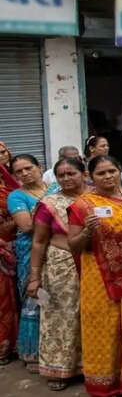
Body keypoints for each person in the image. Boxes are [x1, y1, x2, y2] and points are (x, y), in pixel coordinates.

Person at [66, 155, 122, 396]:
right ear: (91, 177)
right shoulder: (83, 205)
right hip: (100, 276)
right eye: (101, 173)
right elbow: (74, 245)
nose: (108, 176)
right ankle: (109, 383)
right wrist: (87, 231)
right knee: (107, 327)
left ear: (119, 170)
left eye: (112, 170)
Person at [29, 157, 87, 390]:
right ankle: (59, 369)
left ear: (83, 173)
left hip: (94, 264)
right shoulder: (49, 203)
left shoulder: (96, 198)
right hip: (59, 267)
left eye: (71, 173)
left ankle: (92, 366)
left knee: (91, 314)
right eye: (61, 175)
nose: (66, 179)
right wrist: (34, 277)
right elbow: (39, 242)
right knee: (59, 316)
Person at [7, 154, 50, 373]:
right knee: (36, 297)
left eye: (28, 168)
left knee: (57, 299)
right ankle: (33, 353)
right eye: (18, 171)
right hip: (30, 252)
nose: (24, 174)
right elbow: (26, 226)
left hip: (58, 250)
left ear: (39, 167)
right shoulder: (16, 196)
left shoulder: (53, 189)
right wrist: (56, 219)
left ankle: (56, 350)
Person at [0, 145, 18, 366]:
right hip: (3, 246)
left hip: (16, 245)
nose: (3, 155)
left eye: (4, 151)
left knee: (14, 297)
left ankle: (12, 343)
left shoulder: (10, 180)